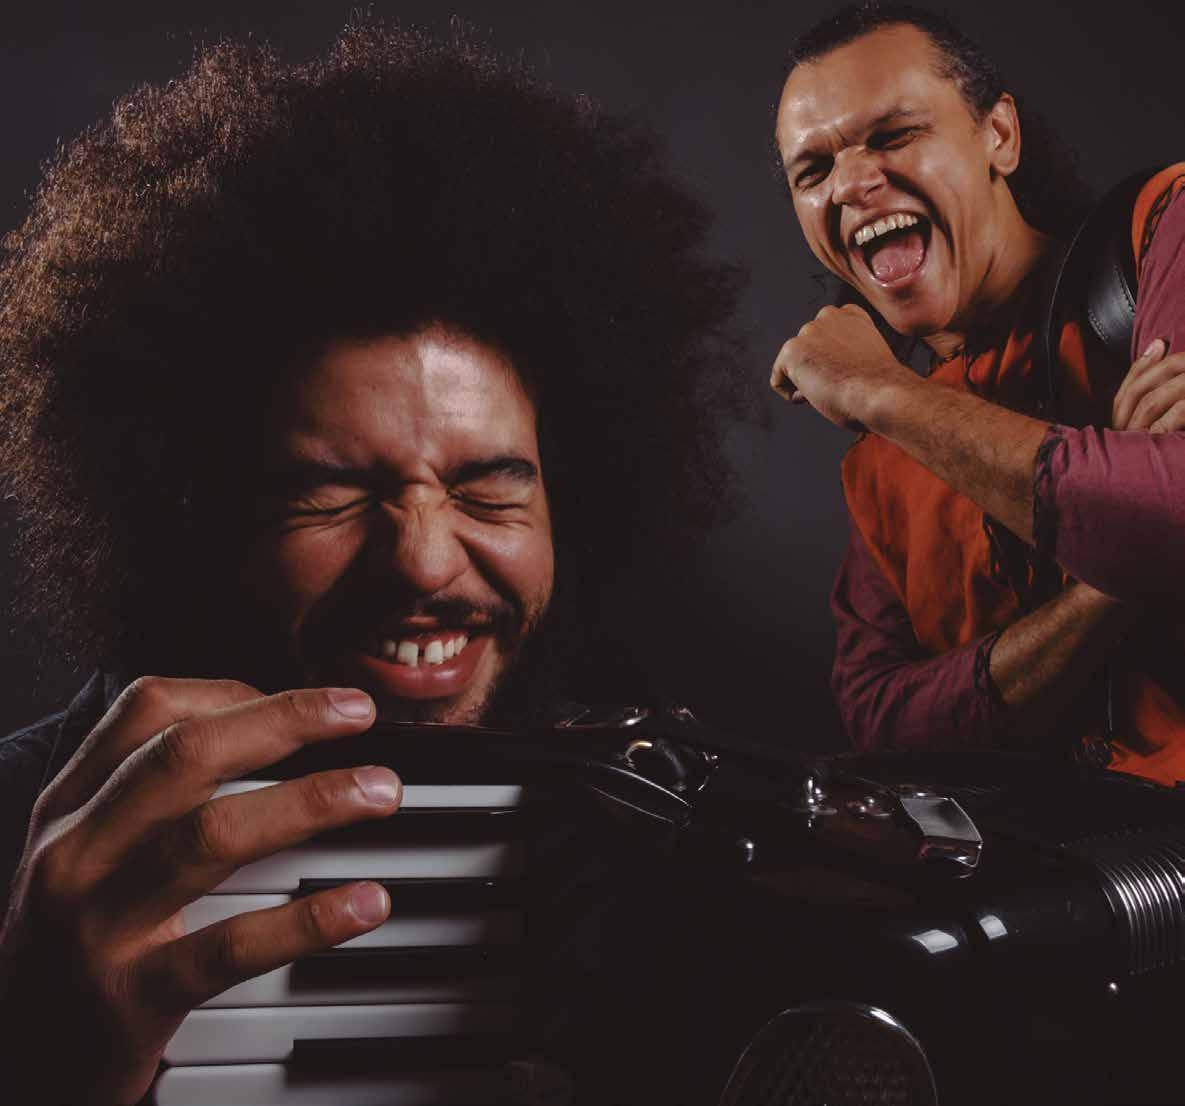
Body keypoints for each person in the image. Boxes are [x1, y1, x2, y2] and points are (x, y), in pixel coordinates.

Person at [0, 23, 744, 1104]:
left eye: (488, 487)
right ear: (197, 517)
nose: (425, 563)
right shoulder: (17, 832)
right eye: (330, 493)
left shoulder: (663, 821)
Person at [769, 3, 1185, 775]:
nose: (851, 183)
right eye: (812, 171)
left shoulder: (1164, 227)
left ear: (998, 135)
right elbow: (879, 719)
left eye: (893, 135)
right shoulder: (879, 461)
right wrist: (1111, 575)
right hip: (1048, 850)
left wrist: (882, 392)